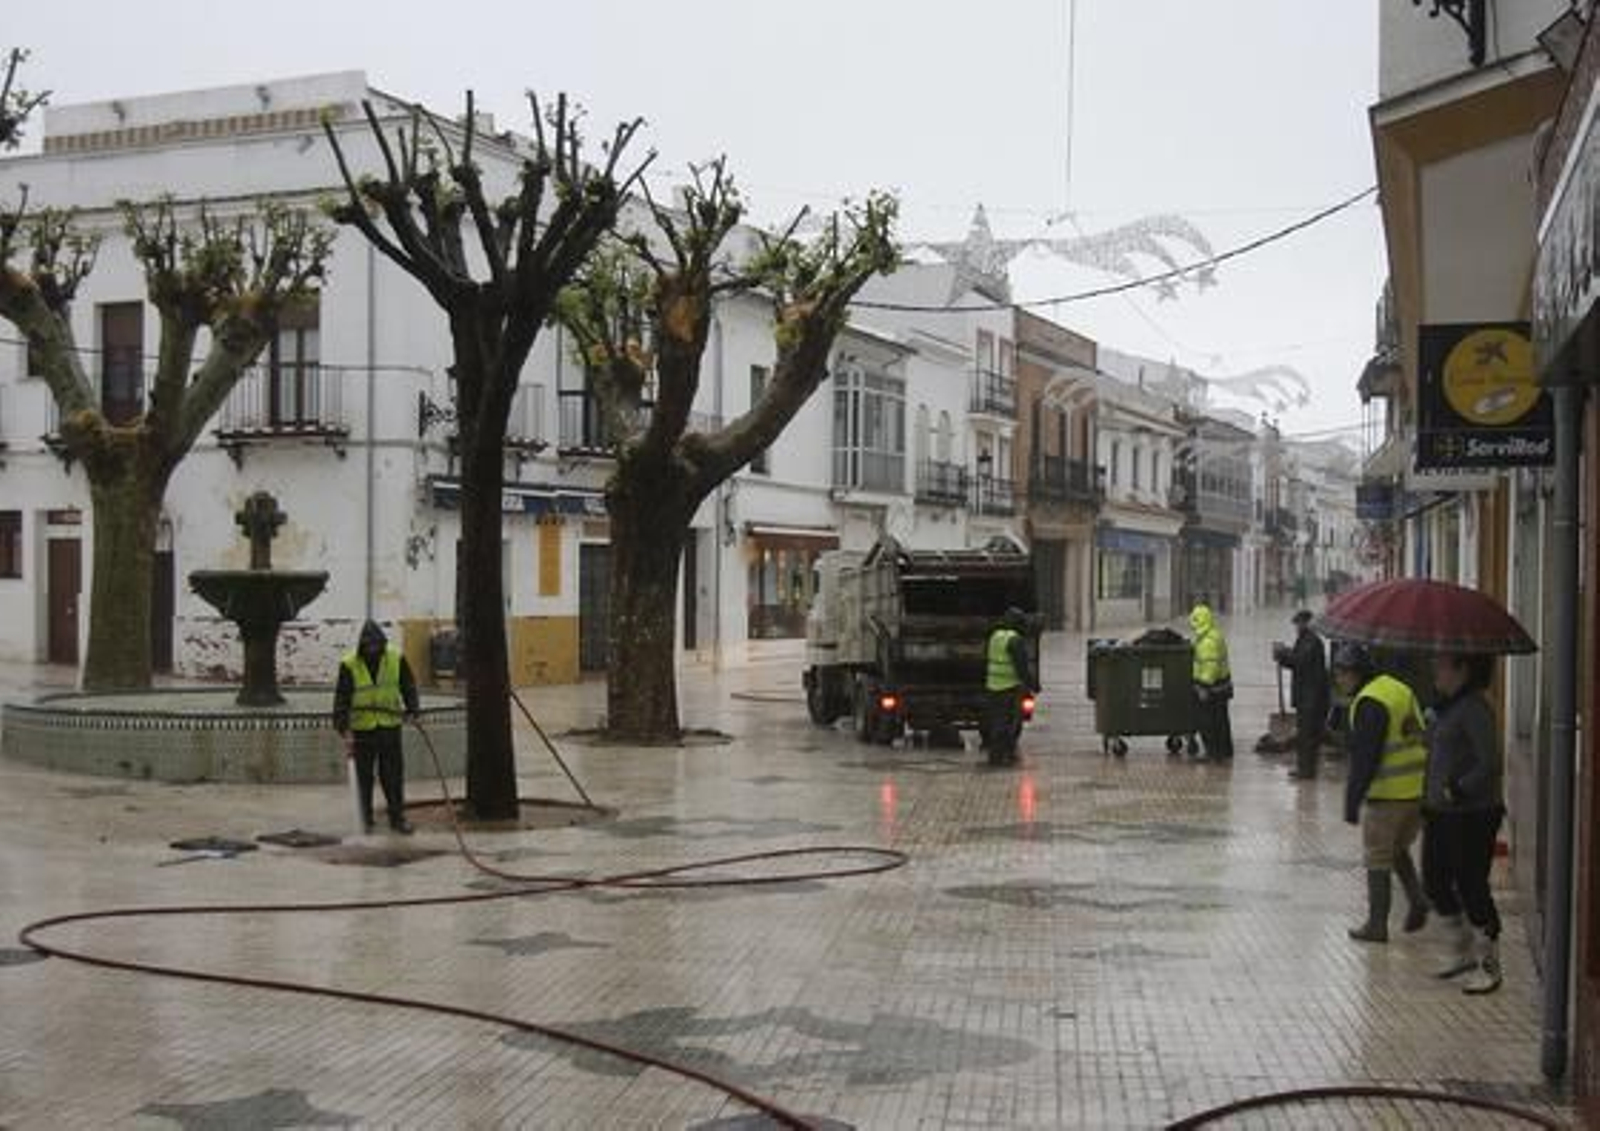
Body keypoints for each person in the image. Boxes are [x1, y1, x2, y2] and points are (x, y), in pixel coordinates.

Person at [1334, 642, 1429, 942]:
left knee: (1377, 858)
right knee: (1397, 849)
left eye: (1342, 673)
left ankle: (1376, 925)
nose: (1339, 679)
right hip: (1417, 790)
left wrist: (1352, 800)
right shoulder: (1398, 689)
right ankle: (1417, 898)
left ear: (1356, 673)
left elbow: (1366, 757)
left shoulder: (1370, 702)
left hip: (1387, 795)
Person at [1422, 653, 1505, 994]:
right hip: (1440, 812)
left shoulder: (1474, 708)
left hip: (1472, 814)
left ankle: (1489, 964)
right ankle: (1462, 951)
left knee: (1471, 884)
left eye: (1442, 664)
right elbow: (1440, 751)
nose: (1435, 669)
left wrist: (1458, 789)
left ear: (1462, 670)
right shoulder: (1447, 707)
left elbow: (1490, 762)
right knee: (1434, 880)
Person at [333, 620, 421, 834]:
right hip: (362, 728)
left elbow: (408, 685)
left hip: (389, 726)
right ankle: (365, 819)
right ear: (361, 646)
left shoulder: (395, 657)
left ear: (383, 644)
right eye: (368, 646)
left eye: (376, 646)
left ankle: (397, 818)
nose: (373, 650)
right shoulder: (349, 664)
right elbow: (342, 698)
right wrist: (344, 728)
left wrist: (413, 709)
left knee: (393, 775)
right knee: (363, 777)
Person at [1275, 610, 1329, 780]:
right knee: (1304, 735)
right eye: (1296, 624)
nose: (1296, 627)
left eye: (1298, 623)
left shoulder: (1311, 641)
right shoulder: (1305, 639)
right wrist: (1283, 656)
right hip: (1306, 696)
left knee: (1307, 736)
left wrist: (1283, 653)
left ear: (1306, 623)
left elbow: (1300, 661)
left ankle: (1306, 771)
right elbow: (1297, 660)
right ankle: (1304, 768)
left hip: (1311, 698)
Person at [981, 606, 1038, 767]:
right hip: (1009, 687)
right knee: (1009, 724)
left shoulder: (995, 636)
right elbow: (1022, 668)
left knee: (998, 722)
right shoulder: (1015, 640)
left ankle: (996, 756)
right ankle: (1002, 757)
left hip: (993, 686)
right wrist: (1033, 685)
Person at [1189, 602, 1233, 761]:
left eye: (1194, 621)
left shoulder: (1207, 641)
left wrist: (1203, 686)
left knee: (1208, 721)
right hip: (1223, 685)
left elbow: (1210, 666)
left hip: (1212, 688)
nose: (1192, 625)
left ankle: (1212, 752)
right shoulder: (1214, 634)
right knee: (1221, 720)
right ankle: (1225, 750)